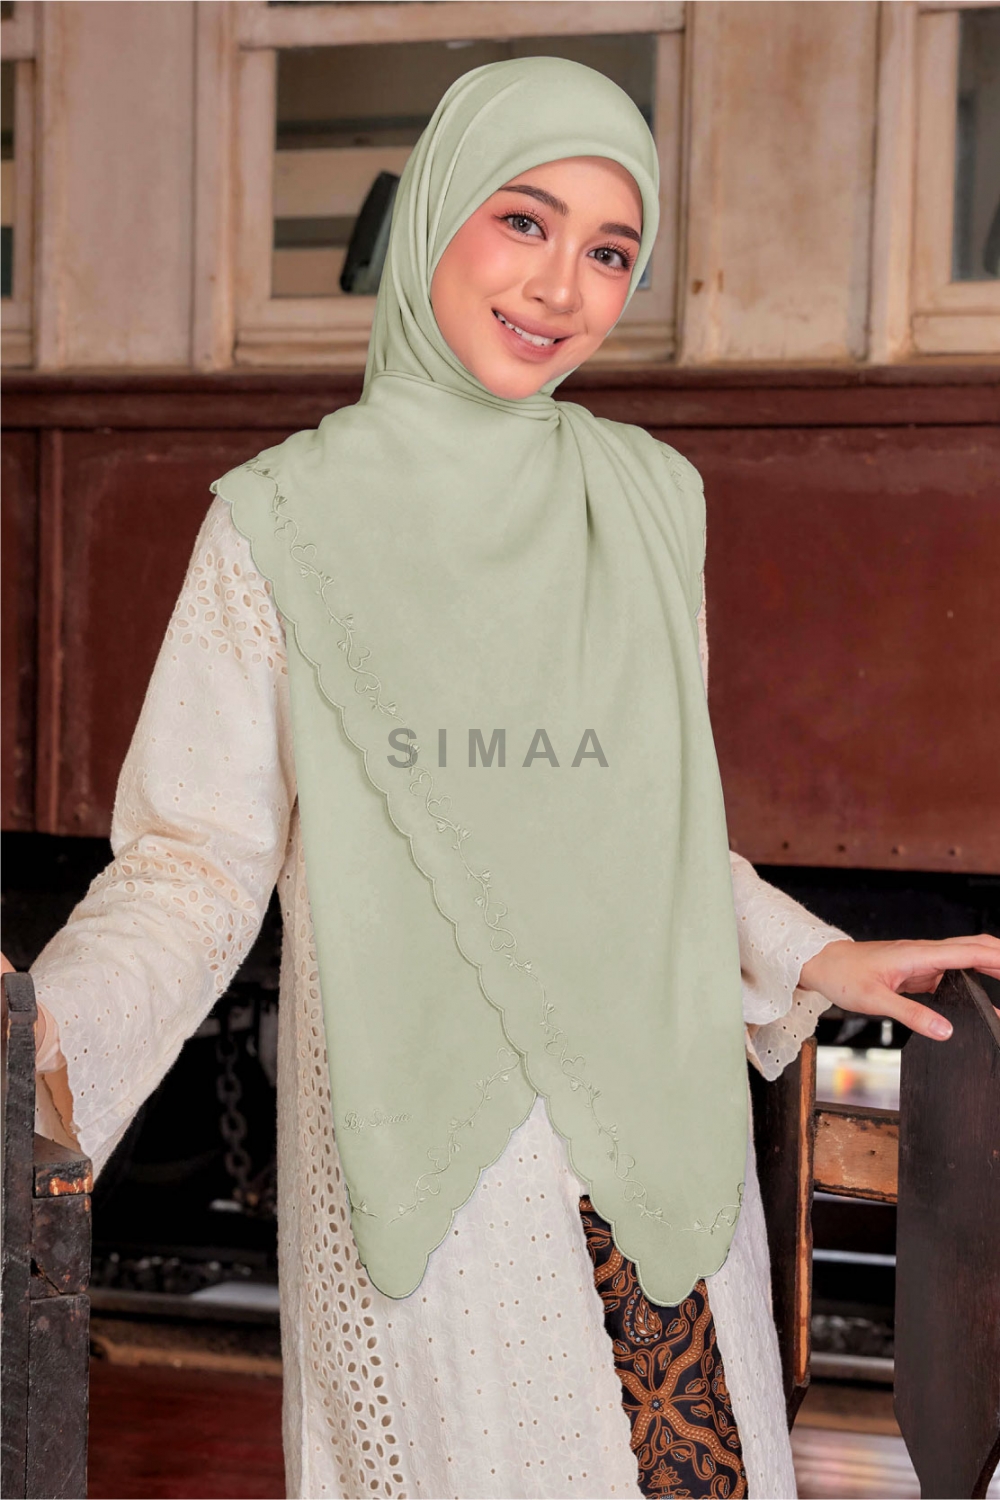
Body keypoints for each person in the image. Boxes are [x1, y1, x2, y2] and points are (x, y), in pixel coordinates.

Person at [5, 58, 999, 1500]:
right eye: (523, 221)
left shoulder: (652, 502)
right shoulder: (278, 523)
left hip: (663, 1143)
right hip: (440, 1173)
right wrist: (43, 1040)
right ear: (438, 216)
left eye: (610, 252)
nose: (560, 287)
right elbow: (194, 861)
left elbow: (656, 830)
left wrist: (818, 956)